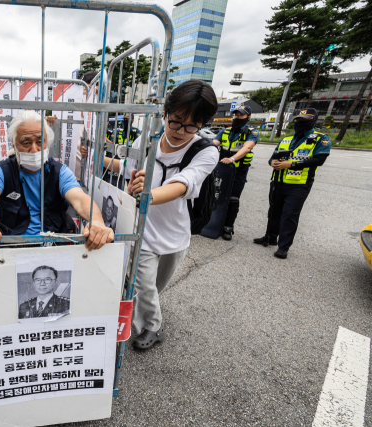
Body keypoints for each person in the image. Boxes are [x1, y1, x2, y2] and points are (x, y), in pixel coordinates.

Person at [126, 80, 219, 350]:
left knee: (155, 285)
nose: (181, 130)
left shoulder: (205, 151)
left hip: (176, 232)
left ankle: (143, 312)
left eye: (192, 125)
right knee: (144, 285)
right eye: (176, 121)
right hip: (142, 230)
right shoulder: (146, 141)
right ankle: (152, 327)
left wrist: (148, 195)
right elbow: (128, 167)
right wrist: (96, 157)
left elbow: (183, 184)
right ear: (165, 113)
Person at [0, 110, 114, 253]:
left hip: (53, 246)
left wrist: (96, 221)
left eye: (39, 141)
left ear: (47, 142)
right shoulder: (0, 171)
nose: (34, 149)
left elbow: (81, 200)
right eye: (26, 143)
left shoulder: (60, 172)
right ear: (14, 143)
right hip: (11, 248)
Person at [253, 108, 330, 259]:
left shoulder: (321, 138)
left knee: (289, 215)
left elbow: (319, 160)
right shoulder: (286, 139)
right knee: (274, 211)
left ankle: (284, 247)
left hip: (299, 184)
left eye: (304, 120)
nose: (300, 122)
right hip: (278, 181)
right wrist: (273, 162)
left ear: (313, 121)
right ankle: (270, 237)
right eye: (298, 120)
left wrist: (291, 165)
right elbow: (272, 157)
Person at [213, 105, 260, 240]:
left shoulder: (252, 132)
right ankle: (214, 223)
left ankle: (228, 227)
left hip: (238, 171)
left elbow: (247, 147)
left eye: (241, 115)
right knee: (216, 196)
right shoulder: (225, 131)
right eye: (236, 114)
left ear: (248, 117)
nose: (237, 117)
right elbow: (214, 143)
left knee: (233, 199)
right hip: (221, 170)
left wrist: (232, 159)